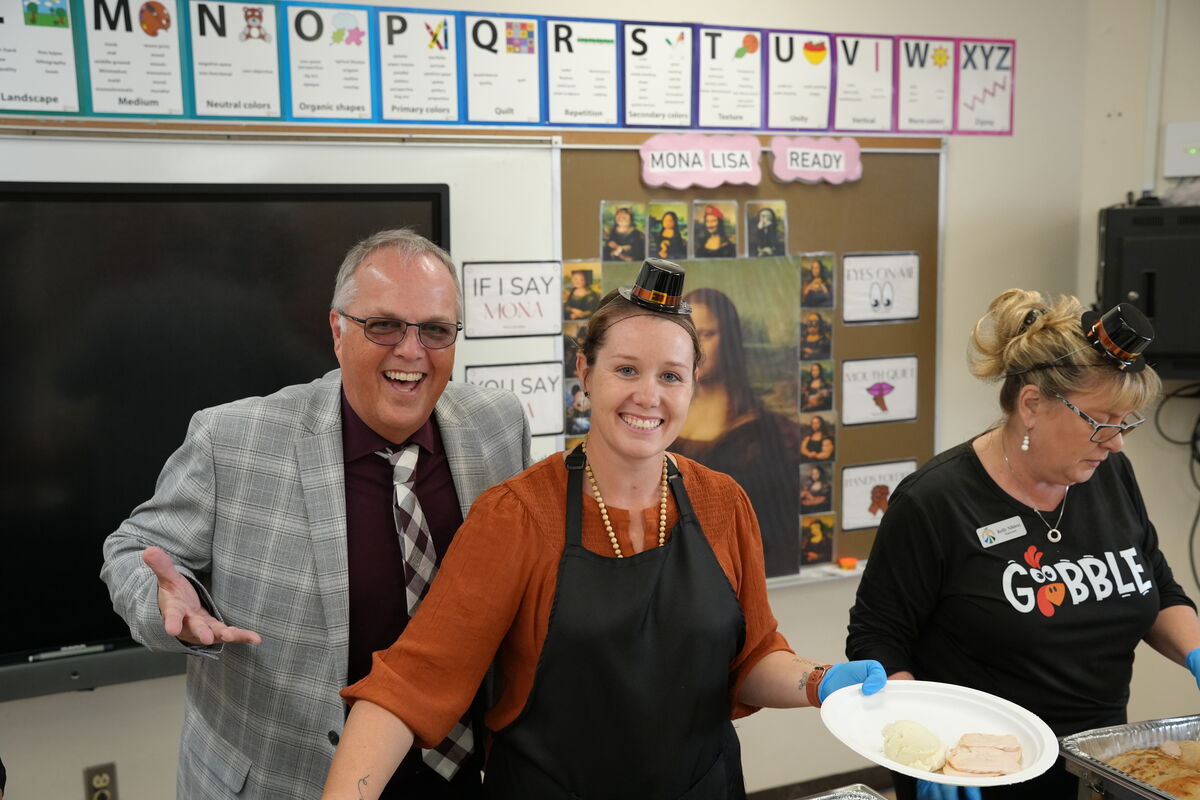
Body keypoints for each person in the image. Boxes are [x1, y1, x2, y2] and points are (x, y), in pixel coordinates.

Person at [321, 259, 887, 800]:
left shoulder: (723, 503)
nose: (649, 395)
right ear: (585, 373)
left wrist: (819, 682)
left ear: (692, 386)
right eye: (626, 370)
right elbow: (409, 684)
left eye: (671, 375)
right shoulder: (517, 516)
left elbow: (751, 660)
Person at [100, 230, 532, 800]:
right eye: (384, 325)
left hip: (460, 774)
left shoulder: (497, 424)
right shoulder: (233, 440)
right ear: (337, 330)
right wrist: (165, 605)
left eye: (435, 330)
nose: (411, 351)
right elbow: (132, 551)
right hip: (293, 782)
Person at [846, 290, 1200, 800]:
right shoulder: (937, 501)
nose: (1117, 441)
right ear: (1032, 404)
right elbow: (878, 639)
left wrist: (1195, 652)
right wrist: (925, 748)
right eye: (1102, 421)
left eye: (1126, 423)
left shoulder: (1109, 474)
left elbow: (1155, 590)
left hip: (1094, 768)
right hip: (978, 769)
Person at [672, 287, 803, 578]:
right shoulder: (660, 422)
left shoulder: (763, 433)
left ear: (729, 339)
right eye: (689, 334)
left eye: (707, 335)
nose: (697, 348)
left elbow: (775, 534)